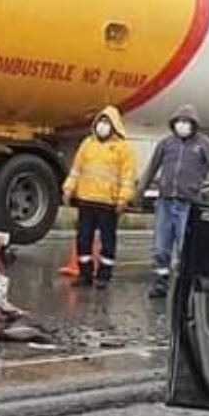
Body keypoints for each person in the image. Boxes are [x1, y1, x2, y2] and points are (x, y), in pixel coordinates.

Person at [137, 104, 209, 299]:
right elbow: (151, 168)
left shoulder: (204, 144)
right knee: (160, 247)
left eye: (186, 122)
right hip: (165, 202)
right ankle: (160, 282)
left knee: (185, 248)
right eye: (179, 121)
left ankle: (185, 286)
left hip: (188, 204)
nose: (182, 125)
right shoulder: (166, 144)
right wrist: (139, 192)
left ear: (194, 124)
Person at [62, 106, 137, 288]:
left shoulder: (123, 149)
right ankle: (85, 273)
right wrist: (68, 189)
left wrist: (123, 199)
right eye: (100, 122)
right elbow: (76, 170)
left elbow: (128, 177)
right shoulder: (87, 144)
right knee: (83, 239)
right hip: (86, 200)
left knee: (108, 241)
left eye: (106, 122)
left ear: (114, 126)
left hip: (108, 204)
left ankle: (104, 275)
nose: (102, 126)